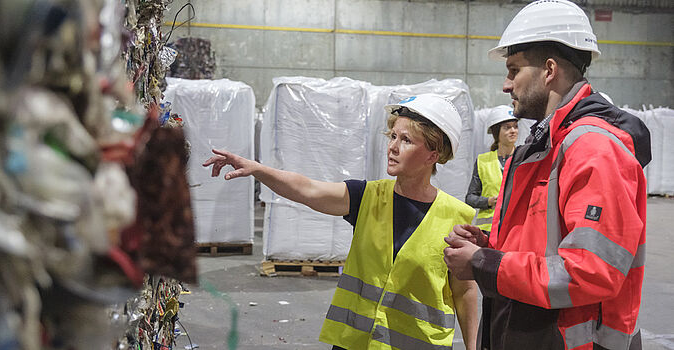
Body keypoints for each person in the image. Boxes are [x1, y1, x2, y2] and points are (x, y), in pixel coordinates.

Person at [442, 1, 652, 349]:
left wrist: (483, 264)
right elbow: (544, 247)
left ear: (549, 70)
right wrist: (489, 247)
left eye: (513, 70)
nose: (506, 85)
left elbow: (590, 271)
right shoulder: (548, 146)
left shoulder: (593, 150)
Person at [204, 94, 479, 349]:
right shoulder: (368, 197)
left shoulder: (456, 217)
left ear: (433, 154)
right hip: (355, 343)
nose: (392, 147)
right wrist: (258, 169)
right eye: (392, 136)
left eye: (406, 140)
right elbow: (307, 189)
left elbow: (464, 292)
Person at [465, 106, 518, 231]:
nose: (513, 131)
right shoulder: (483, 161)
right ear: (496, 132)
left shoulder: (523, 158)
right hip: (488, 230)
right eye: (507, 127)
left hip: (515, 228)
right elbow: (470, 198)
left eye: (515, 126)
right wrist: (488, 201)